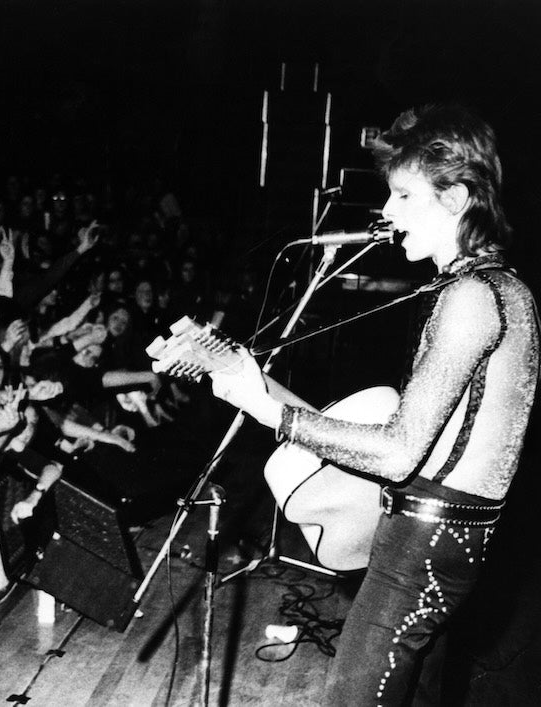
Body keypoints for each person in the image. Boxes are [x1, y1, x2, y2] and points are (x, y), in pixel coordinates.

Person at [208, 104, 538, 705]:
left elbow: (397, 452)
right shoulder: (491, 287)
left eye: (404, 196)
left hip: (423, 546)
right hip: (442, 541)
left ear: (457, 199)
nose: (385, 213)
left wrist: (272, 413)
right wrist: (257, 388)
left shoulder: (470, 296)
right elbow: (403, 442)